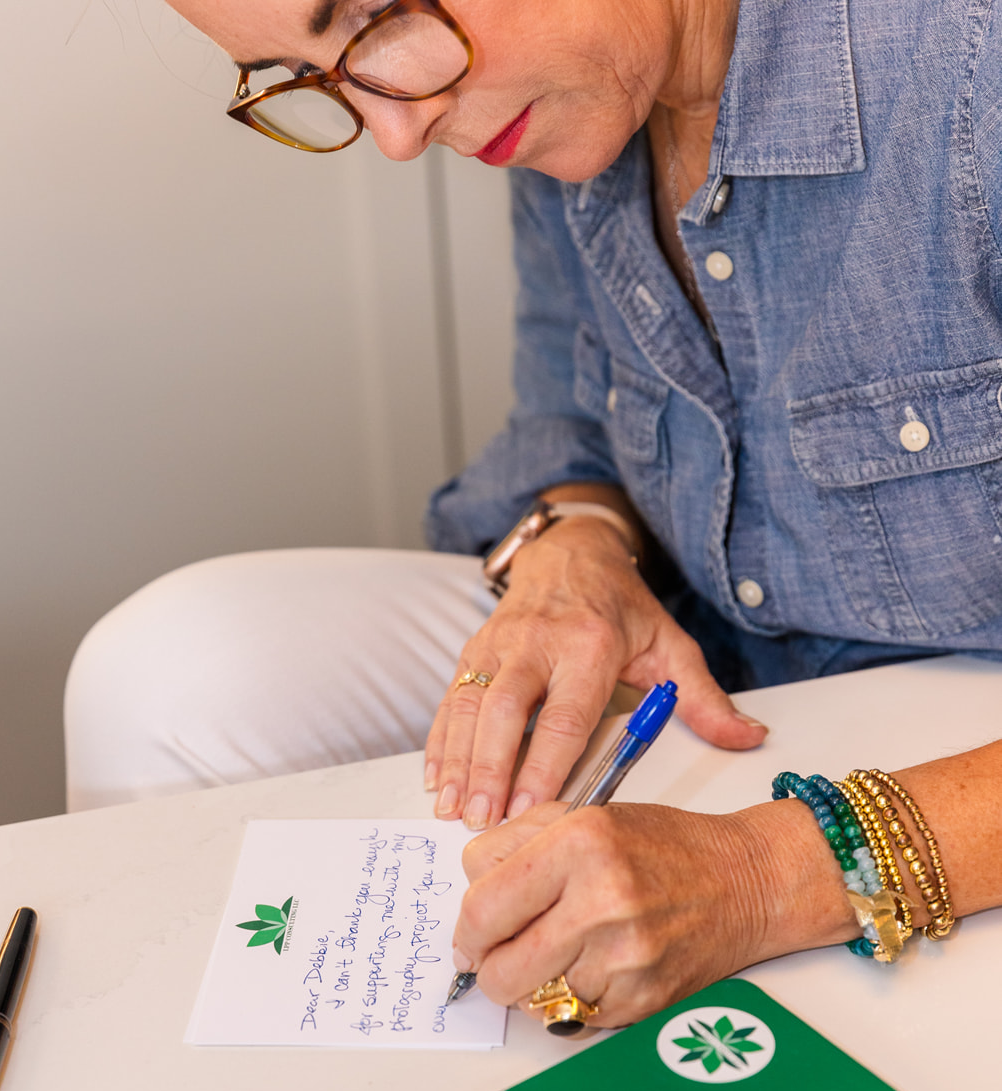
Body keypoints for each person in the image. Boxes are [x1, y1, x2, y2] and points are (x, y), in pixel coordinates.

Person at [65, 0, 1002, 1028]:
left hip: (960, 764)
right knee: (164, 676)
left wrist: (762, 875)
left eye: (372, 17)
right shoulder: (570, 92)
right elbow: (565, 408)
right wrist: (578, 543)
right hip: (699, 655)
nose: (395, 133)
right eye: (305, 77)